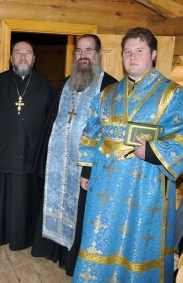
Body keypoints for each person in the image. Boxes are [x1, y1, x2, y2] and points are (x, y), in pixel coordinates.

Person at [73, 27, 183, 282]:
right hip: (104, 184)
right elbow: (92, 133)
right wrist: (86, 170)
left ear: (153, 54)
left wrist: (154, 152)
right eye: (127, 51)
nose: (132, 57)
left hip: (145, 182)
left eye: (139, 51)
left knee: (137, 241)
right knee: (100, 239)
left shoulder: (173, 94)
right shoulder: (107, 93)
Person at [31, 34, 117, 276]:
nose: (83, 55)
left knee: (80, 212)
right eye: (79, 50)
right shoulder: (69, 83)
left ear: (98, 54)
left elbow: (108, 134)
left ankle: (72, 258)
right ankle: (53, 250)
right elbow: (53, 122)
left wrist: (91, 168)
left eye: (88, 50)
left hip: (86, 167)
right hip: (60, 162)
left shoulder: (110, 87)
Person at [0, 41, 55, 251]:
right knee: (5, 198)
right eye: (18, 53)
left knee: (28, 198)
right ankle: (2, 233)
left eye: (28, 53)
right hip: (5, 152)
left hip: (33, 154)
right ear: (11, 58)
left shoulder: (44, 83)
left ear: (34, 59)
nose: (23, 57)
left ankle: (27, 237)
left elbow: (52, 120)